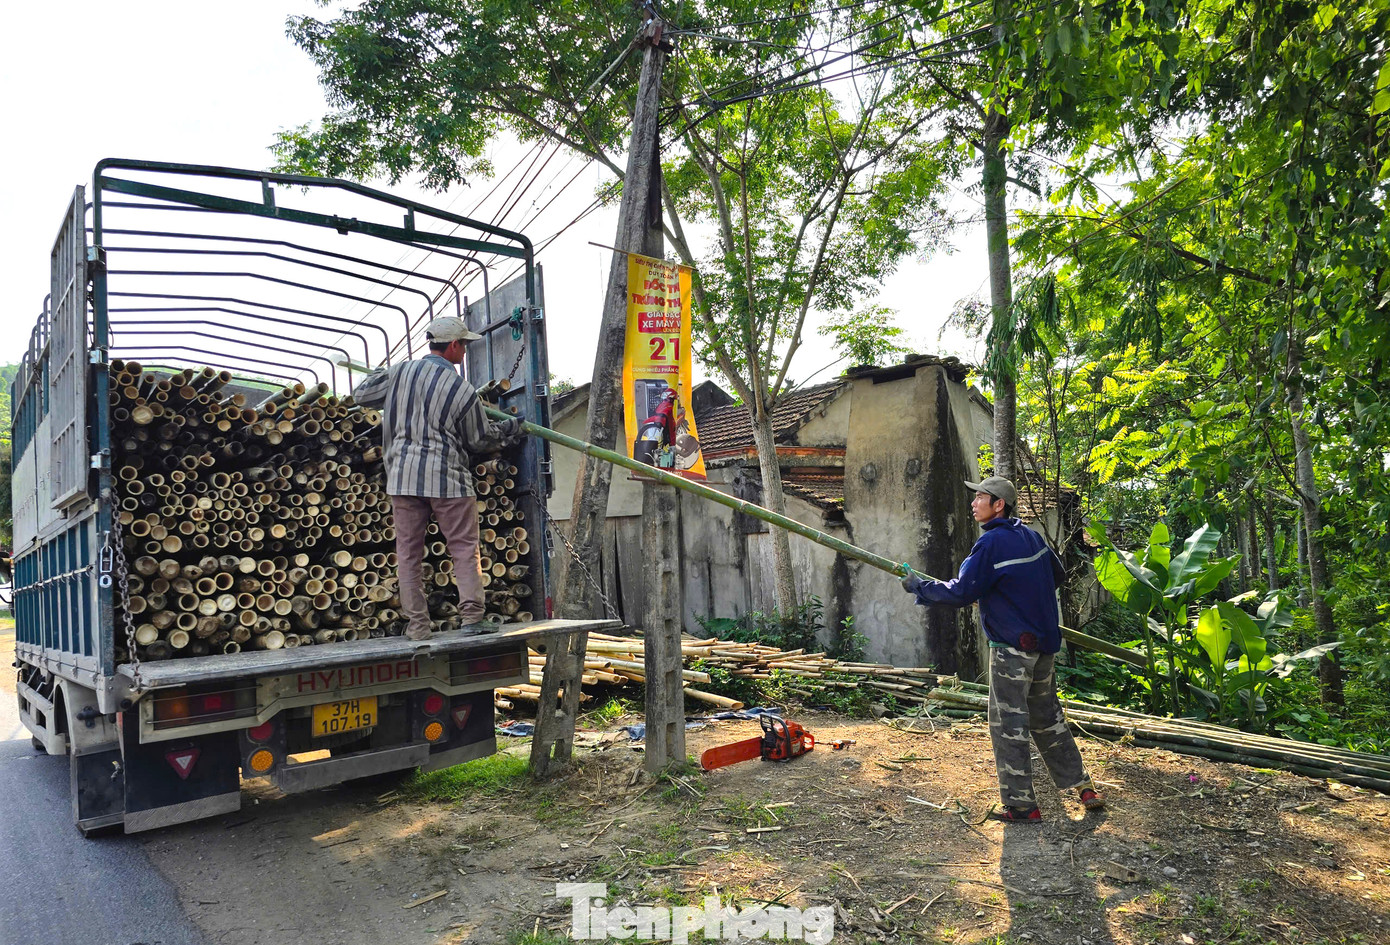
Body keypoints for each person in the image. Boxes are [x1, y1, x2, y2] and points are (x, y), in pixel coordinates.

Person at [901, 476, 1105, 822]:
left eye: (980, 497)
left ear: (999, 505)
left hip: (1013, 649)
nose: (973, 503)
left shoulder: (990, 544)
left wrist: (918, 586)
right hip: (1044, 645)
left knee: (1008, 723)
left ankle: (1022, 805)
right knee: (1047, 717)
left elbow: (961, 591)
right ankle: (1083, 786)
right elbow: (1055, 575)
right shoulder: (1032, 537)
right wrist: (1007, 596)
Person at [352, 316, 521, 641]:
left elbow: (361, 396)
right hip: (449, 481)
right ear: (455, 346)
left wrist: (377, 375)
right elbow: (478, 440)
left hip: (402, 478)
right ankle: (472, 618)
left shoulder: (401, 371)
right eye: (465, 345)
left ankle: (418, 627)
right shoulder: (461, 390)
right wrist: (508, 432)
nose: (465, 351)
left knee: (408, 554)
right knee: (463, 548)